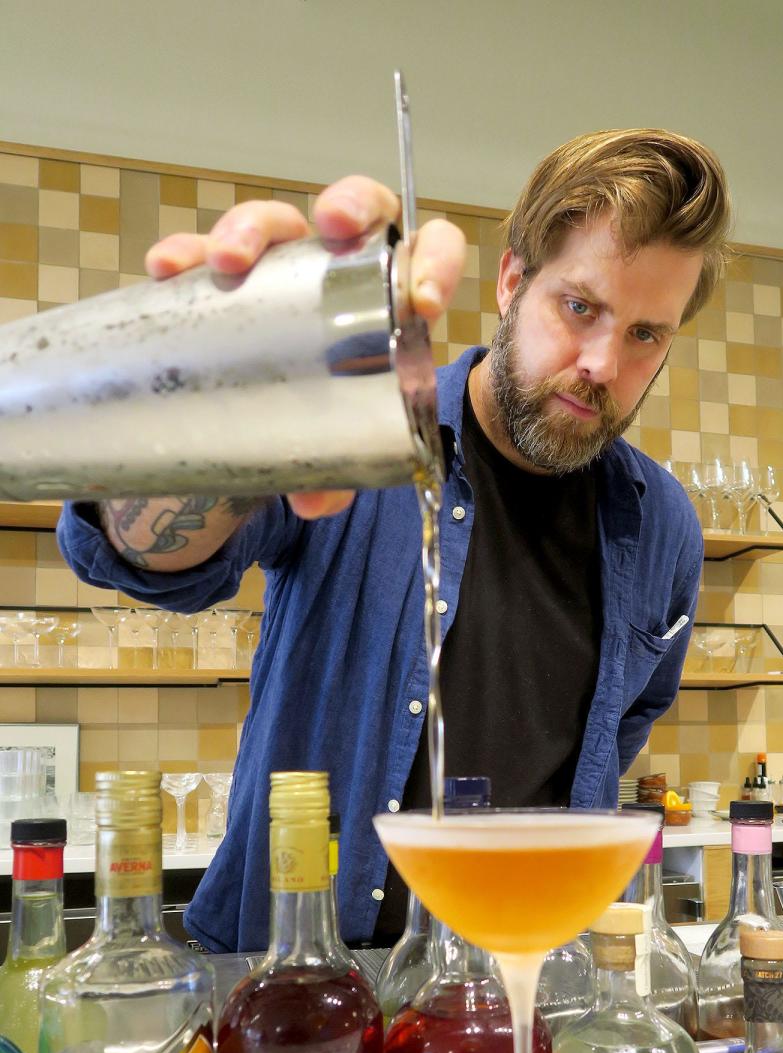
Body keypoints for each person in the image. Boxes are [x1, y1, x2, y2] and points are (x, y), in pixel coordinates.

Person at [57, 129, 732, 952]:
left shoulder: (659, 523)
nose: (600, 362)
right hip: (289, 982)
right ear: (514, 280)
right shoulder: (358, 430)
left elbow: (618, 733)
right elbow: (147, 560)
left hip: (515, 995)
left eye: (645, 335)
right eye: (581, 307)